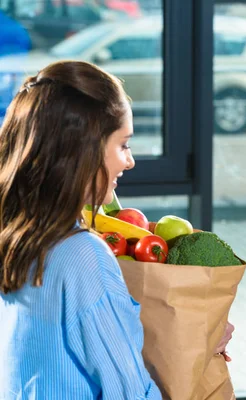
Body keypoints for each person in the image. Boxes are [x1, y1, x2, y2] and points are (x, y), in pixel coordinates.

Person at [0, 60, 231, 398]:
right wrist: (201, 344)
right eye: (123, 144)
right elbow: (130, 393)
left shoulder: (17, 235)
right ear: (82, 151)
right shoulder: (82, 255)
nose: (130, 160)